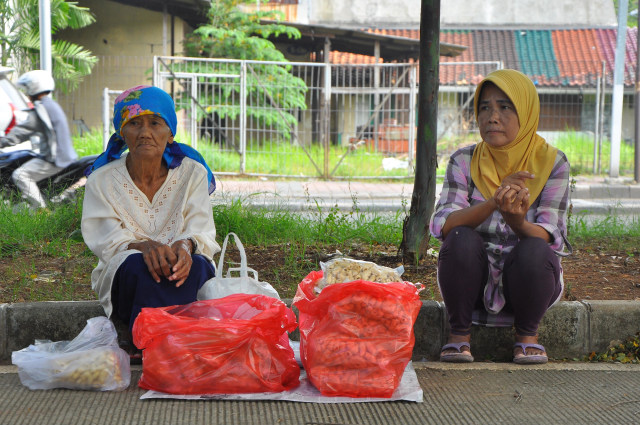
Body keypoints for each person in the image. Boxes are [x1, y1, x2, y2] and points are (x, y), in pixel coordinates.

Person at [429, 69, 571, 365]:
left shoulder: (552, 162)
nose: (492, 117)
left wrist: (517, 222)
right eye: (484, 107)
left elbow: (550, 234)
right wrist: (494, 201)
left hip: (528, 284)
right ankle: (458, 336)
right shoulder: (463, 161)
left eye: (505, 107)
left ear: (527, 112)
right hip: (469, 285)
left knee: (534, 248)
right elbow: (445, 223)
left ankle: (527, 337)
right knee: (460, 237)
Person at [81, 85, 220, 357]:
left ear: (170, 133)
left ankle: (158, 341)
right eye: (134, 123)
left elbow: (201, 230)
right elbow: (107, 240)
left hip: (183, 269)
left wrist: (184, 246)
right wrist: (144, 247)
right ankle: (165, 342)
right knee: (136, 266)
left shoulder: (192, 173)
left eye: (155, 123)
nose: (145, 133)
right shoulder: (101, 180)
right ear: (122, 133)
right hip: (131, 273)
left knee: (200, 264)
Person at [0, 70, 78, 209]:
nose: (26, 94)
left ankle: (42, 211)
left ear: (33, 88)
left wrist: (3, 142)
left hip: (55, 159)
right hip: (64, 155)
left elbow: (20, 133)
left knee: (20, 175)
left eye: (26, 89)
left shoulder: (40, 110)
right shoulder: (51, 105)